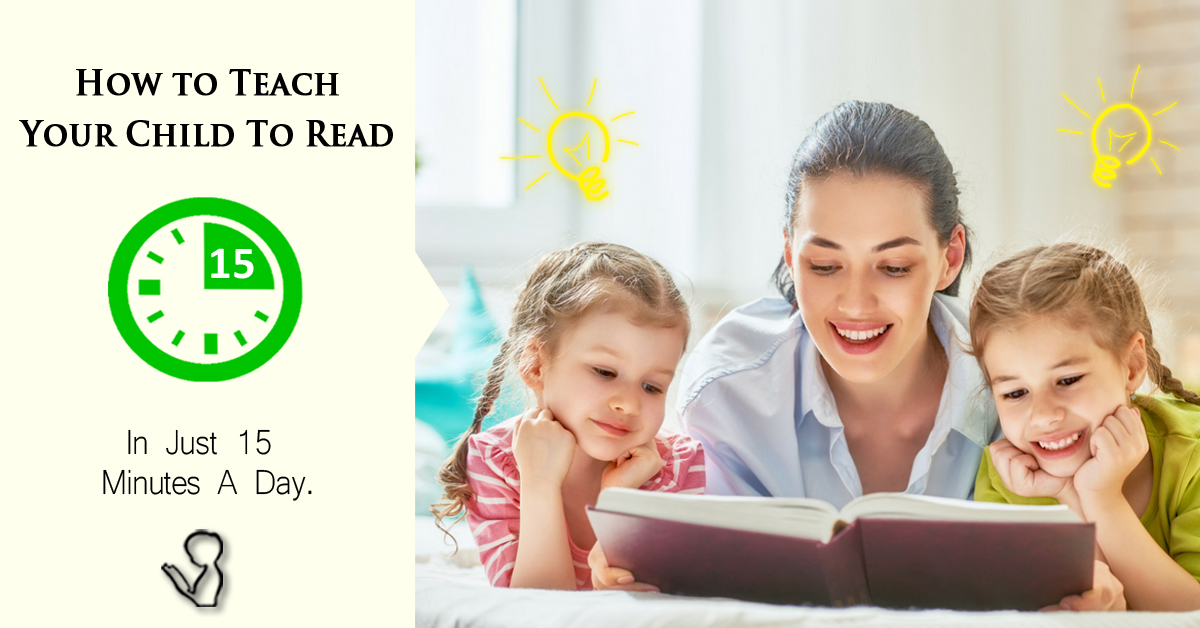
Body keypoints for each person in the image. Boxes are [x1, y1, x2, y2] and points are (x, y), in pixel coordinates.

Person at [589, 102, 1121, 609]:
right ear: (790, 257)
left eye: (893, 268)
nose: (856, 304)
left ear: (949, 258)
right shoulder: (728, 390)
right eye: (824, 266)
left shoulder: (1015, 378)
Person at [432, 242, 705, 591]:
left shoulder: (679, 466)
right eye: (605, 372)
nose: (630, 405)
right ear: (535, 364)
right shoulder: (496, 462)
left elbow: (672, 609)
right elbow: (536, 609)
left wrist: (620, 499)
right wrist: (540, 483)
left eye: (652, 387)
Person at [971, 242, 1200, 611]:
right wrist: (1068, 493)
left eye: (1068, 380)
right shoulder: (1008, 477)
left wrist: (1103, 499)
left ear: (1132, 365)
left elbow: (1192, 614)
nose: (1043, 416)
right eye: (1015, 393)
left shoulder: (1192, 455)